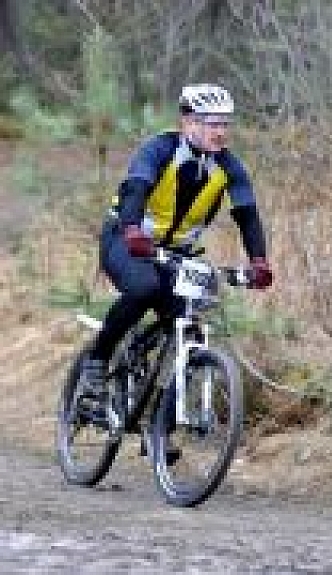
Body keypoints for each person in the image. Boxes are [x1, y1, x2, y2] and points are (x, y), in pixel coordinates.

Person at [81, 83, 273, 399]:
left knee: (190, 317)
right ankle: (97, 361)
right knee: (144, 288)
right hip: (125, 239)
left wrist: (259, 261)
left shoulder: (229, 166)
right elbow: (136, 189)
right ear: (188, 122)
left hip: (176, 254)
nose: (221, 132)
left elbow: (248, 215)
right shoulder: (158, 150)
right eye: (212, 123)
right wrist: (132, 230)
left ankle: (160, 430)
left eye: (225, 123)